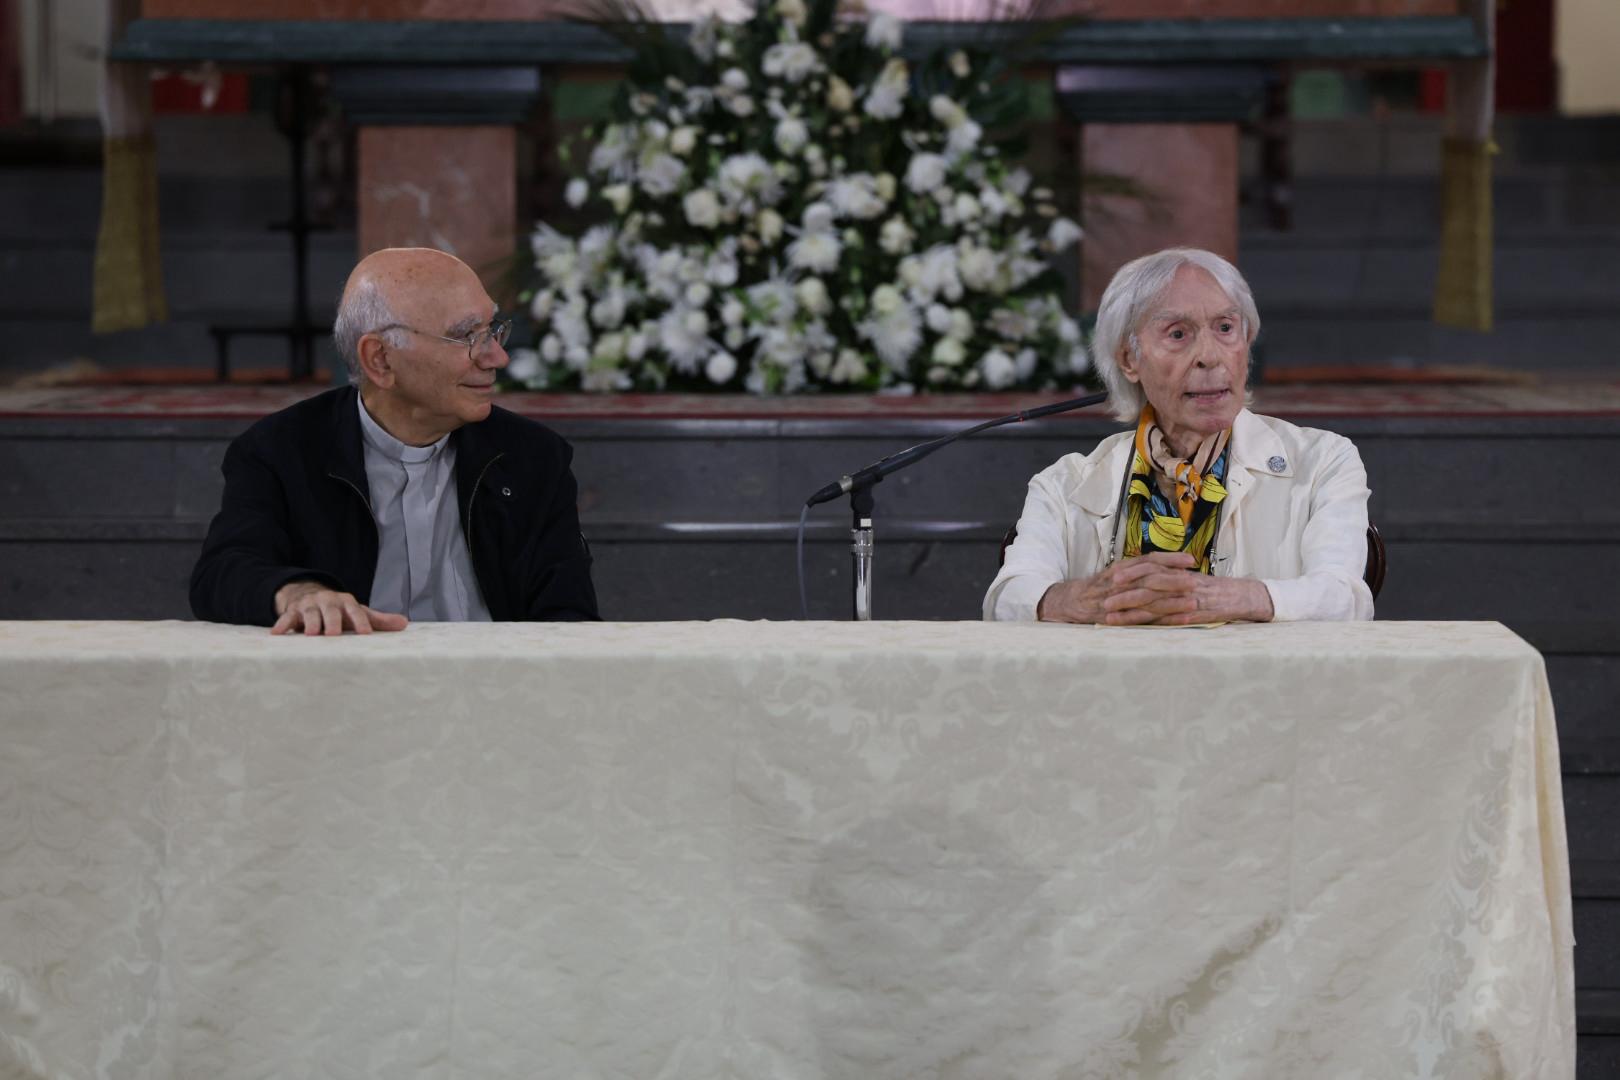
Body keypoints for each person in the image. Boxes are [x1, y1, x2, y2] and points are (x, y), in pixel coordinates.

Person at [190, 247, 599, 633]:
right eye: (468, 336)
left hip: (491, 690)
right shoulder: (281, 450)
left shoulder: (533, 458)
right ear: (380, 359)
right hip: (346, 686)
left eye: (492, 329)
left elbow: (569, 617)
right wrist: (300, 592)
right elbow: (223, 571)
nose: (497, 357)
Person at [984, 247, 1373, 626]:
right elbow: (1008, 598)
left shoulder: (1324, 460)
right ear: (1129, 360)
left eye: (1225, 328)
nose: (1210, 356)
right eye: (1178, 334)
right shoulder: (1065, 483)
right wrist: (1078, 599)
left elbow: (1344, 597)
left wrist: (1231, 597)